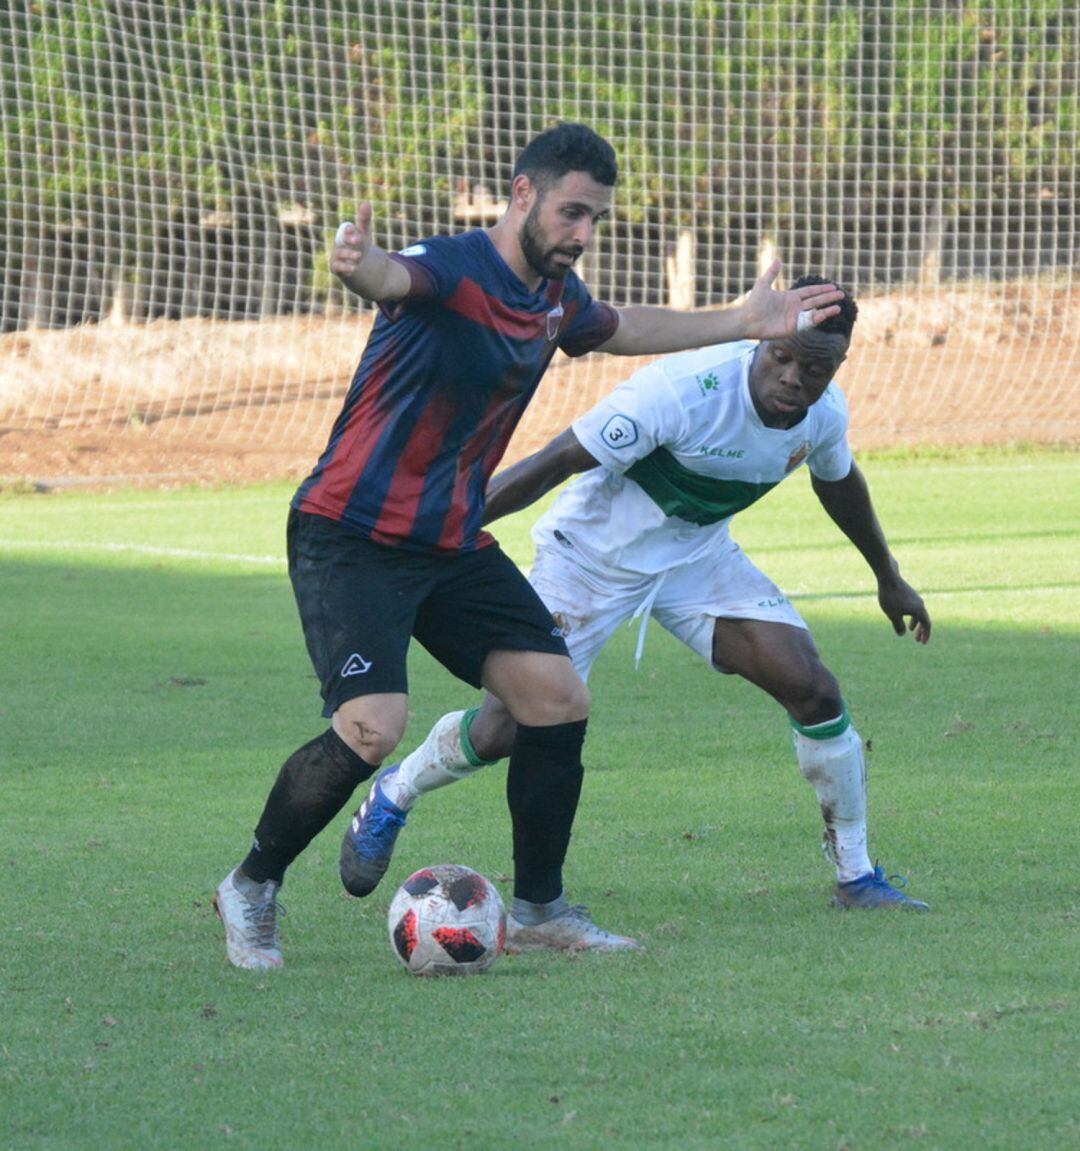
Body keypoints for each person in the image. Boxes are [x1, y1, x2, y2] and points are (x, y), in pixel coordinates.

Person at [213, 122, 845, 969]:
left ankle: (542, 907)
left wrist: (737, 318)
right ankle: (252, 884)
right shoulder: (455, 266)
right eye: (573, 213)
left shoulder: (558, 299)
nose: (582, 234)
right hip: (351, 533)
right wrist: (359, 264)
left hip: (448, 540)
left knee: (555, 697)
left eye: (596, 221)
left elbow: (621, 328)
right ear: (522, 196)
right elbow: (397, 277)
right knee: (372, 727)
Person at [346, 277, 933, 935]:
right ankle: (396, 791)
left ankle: (855, 876)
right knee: (508, 728)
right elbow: (552, 462)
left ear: (838, 366)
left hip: (694, 557)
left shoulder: (824, 416)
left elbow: (840, 480)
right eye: (781, 358)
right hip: (588, 559)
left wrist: (889, 576)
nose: (794, 378)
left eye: (815, 367)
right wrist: (432, 529)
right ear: (762, 342)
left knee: (813, 687)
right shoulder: (682, 390)